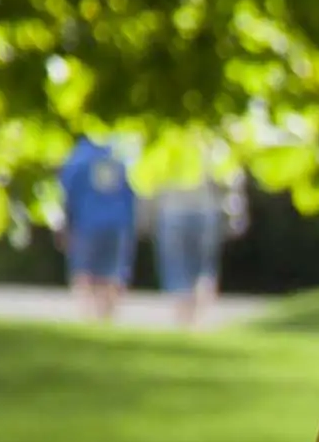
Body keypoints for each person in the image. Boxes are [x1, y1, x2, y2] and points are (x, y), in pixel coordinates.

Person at [51, 133, 139, 321]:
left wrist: (63, 227)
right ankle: (108, 316)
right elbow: (134, 193)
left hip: (86, 224)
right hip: (118, 223)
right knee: (113, 274)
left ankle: (87, 317)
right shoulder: (122, 154)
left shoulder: (78, 155)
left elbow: (65, 193)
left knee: (84, 274)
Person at [146, 153, 235, 326]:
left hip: (172, 213)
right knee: (204, 270)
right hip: (205, 212)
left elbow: (151, 186)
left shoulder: (165, 146)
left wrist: (148, 216)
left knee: (177, 270)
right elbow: (226, 180)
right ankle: (199, 321)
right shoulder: (209, 145)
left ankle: (184, 321)